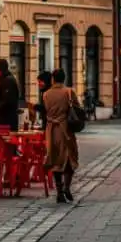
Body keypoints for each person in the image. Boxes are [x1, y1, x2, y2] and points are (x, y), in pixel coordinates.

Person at [43, 68, 79, 203]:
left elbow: (47, 110)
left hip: (51, 130)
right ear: (64, 79)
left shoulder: (46, 94)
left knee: (55, 159)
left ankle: (59, 191)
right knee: (70, 159)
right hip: (66, 130)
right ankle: (67, 188)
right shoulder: (69, 92)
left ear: (53, 79)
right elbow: (77, 108)